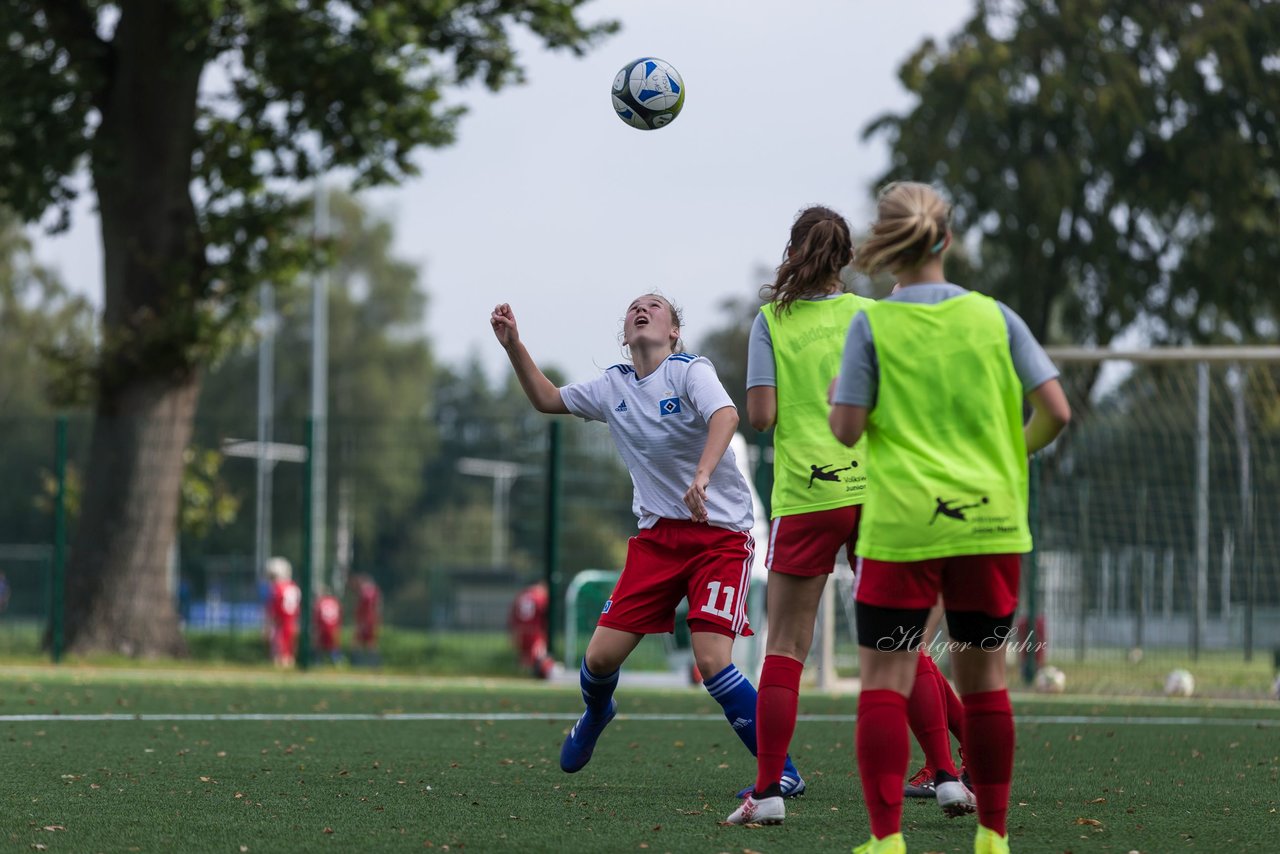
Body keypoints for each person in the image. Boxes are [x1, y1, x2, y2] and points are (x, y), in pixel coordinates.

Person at [829, 181, 1070, 854]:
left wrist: (836, 398)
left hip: (904, 522)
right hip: (988, 519)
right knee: (986, 678)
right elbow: (1057, 410)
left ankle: (886, 841)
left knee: (884, 679)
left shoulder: (872, 323)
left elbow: (845, 432)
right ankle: (992, 836)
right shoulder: (996, 318)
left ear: (887, 244)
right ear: (947, 238)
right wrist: (1005, 454)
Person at [491, 294, 802, 795]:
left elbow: (726, 416)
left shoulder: (689, 371)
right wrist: (514, 346)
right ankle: (597, 712)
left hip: (719, 538)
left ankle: (781, 772)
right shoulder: (613, 386)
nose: (643, 310)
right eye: (636, 307)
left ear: (674, 331)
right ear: (624, 333)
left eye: (655, 307)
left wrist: (701, 476)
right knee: (597, 661)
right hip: (658, 540)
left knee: (712, 661)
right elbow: (547, 398)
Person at [728, 206, 970, 827]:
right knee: (900, 639)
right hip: (877, 493)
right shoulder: (870, 314)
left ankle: (769, 794)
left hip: (808, 498)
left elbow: (760, 416)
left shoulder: (770, 321)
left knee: (784, 647)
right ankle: (946, 777)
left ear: (791, 249)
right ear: (846, 259)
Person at [509, 580, 558, 679]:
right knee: (539, 655)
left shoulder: (521, 595)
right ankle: (543, 673)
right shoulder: (540, 597)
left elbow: (514, 614)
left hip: (521, 631)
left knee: (525, 659)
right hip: (535, 632)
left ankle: (523, 676)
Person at [264, 556, 301, 668]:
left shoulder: (278, 588)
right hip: (292, 622)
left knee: (279, 653)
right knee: (289, 651)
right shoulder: (294, 587)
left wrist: (269, 624)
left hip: (281, 622)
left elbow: (273, 609)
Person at [350, 573, 382, 665]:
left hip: (365, 621)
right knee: (370, 642)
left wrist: (361, 622)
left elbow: (363, 608)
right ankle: (373, 663)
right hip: (372, 620)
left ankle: (357, 663)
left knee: (358, 641)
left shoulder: (365, 592)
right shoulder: (375, 591)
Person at [314, 586, 343, 665]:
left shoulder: (321, 602)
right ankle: (336, 661)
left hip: (323, 627)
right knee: (333, 644)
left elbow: (318, 616)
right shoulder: (335, 601)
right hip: (333, 626)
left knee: (320, 645)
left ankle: (319, 661)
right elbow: (339, 616)